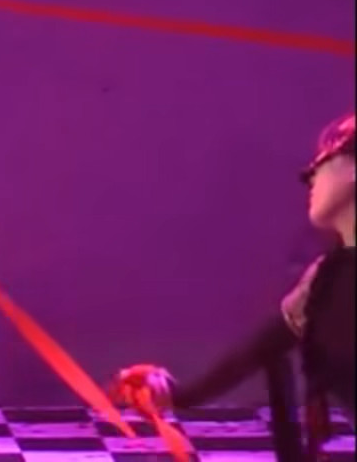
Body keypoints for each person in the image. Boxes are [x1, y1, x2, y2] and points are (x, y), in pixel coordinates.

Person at [110, 113, 354, 460]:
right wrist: (169, 393)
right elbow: (257, 351)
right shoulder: (325, 279)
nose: (310, 175)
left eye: (324, 160)